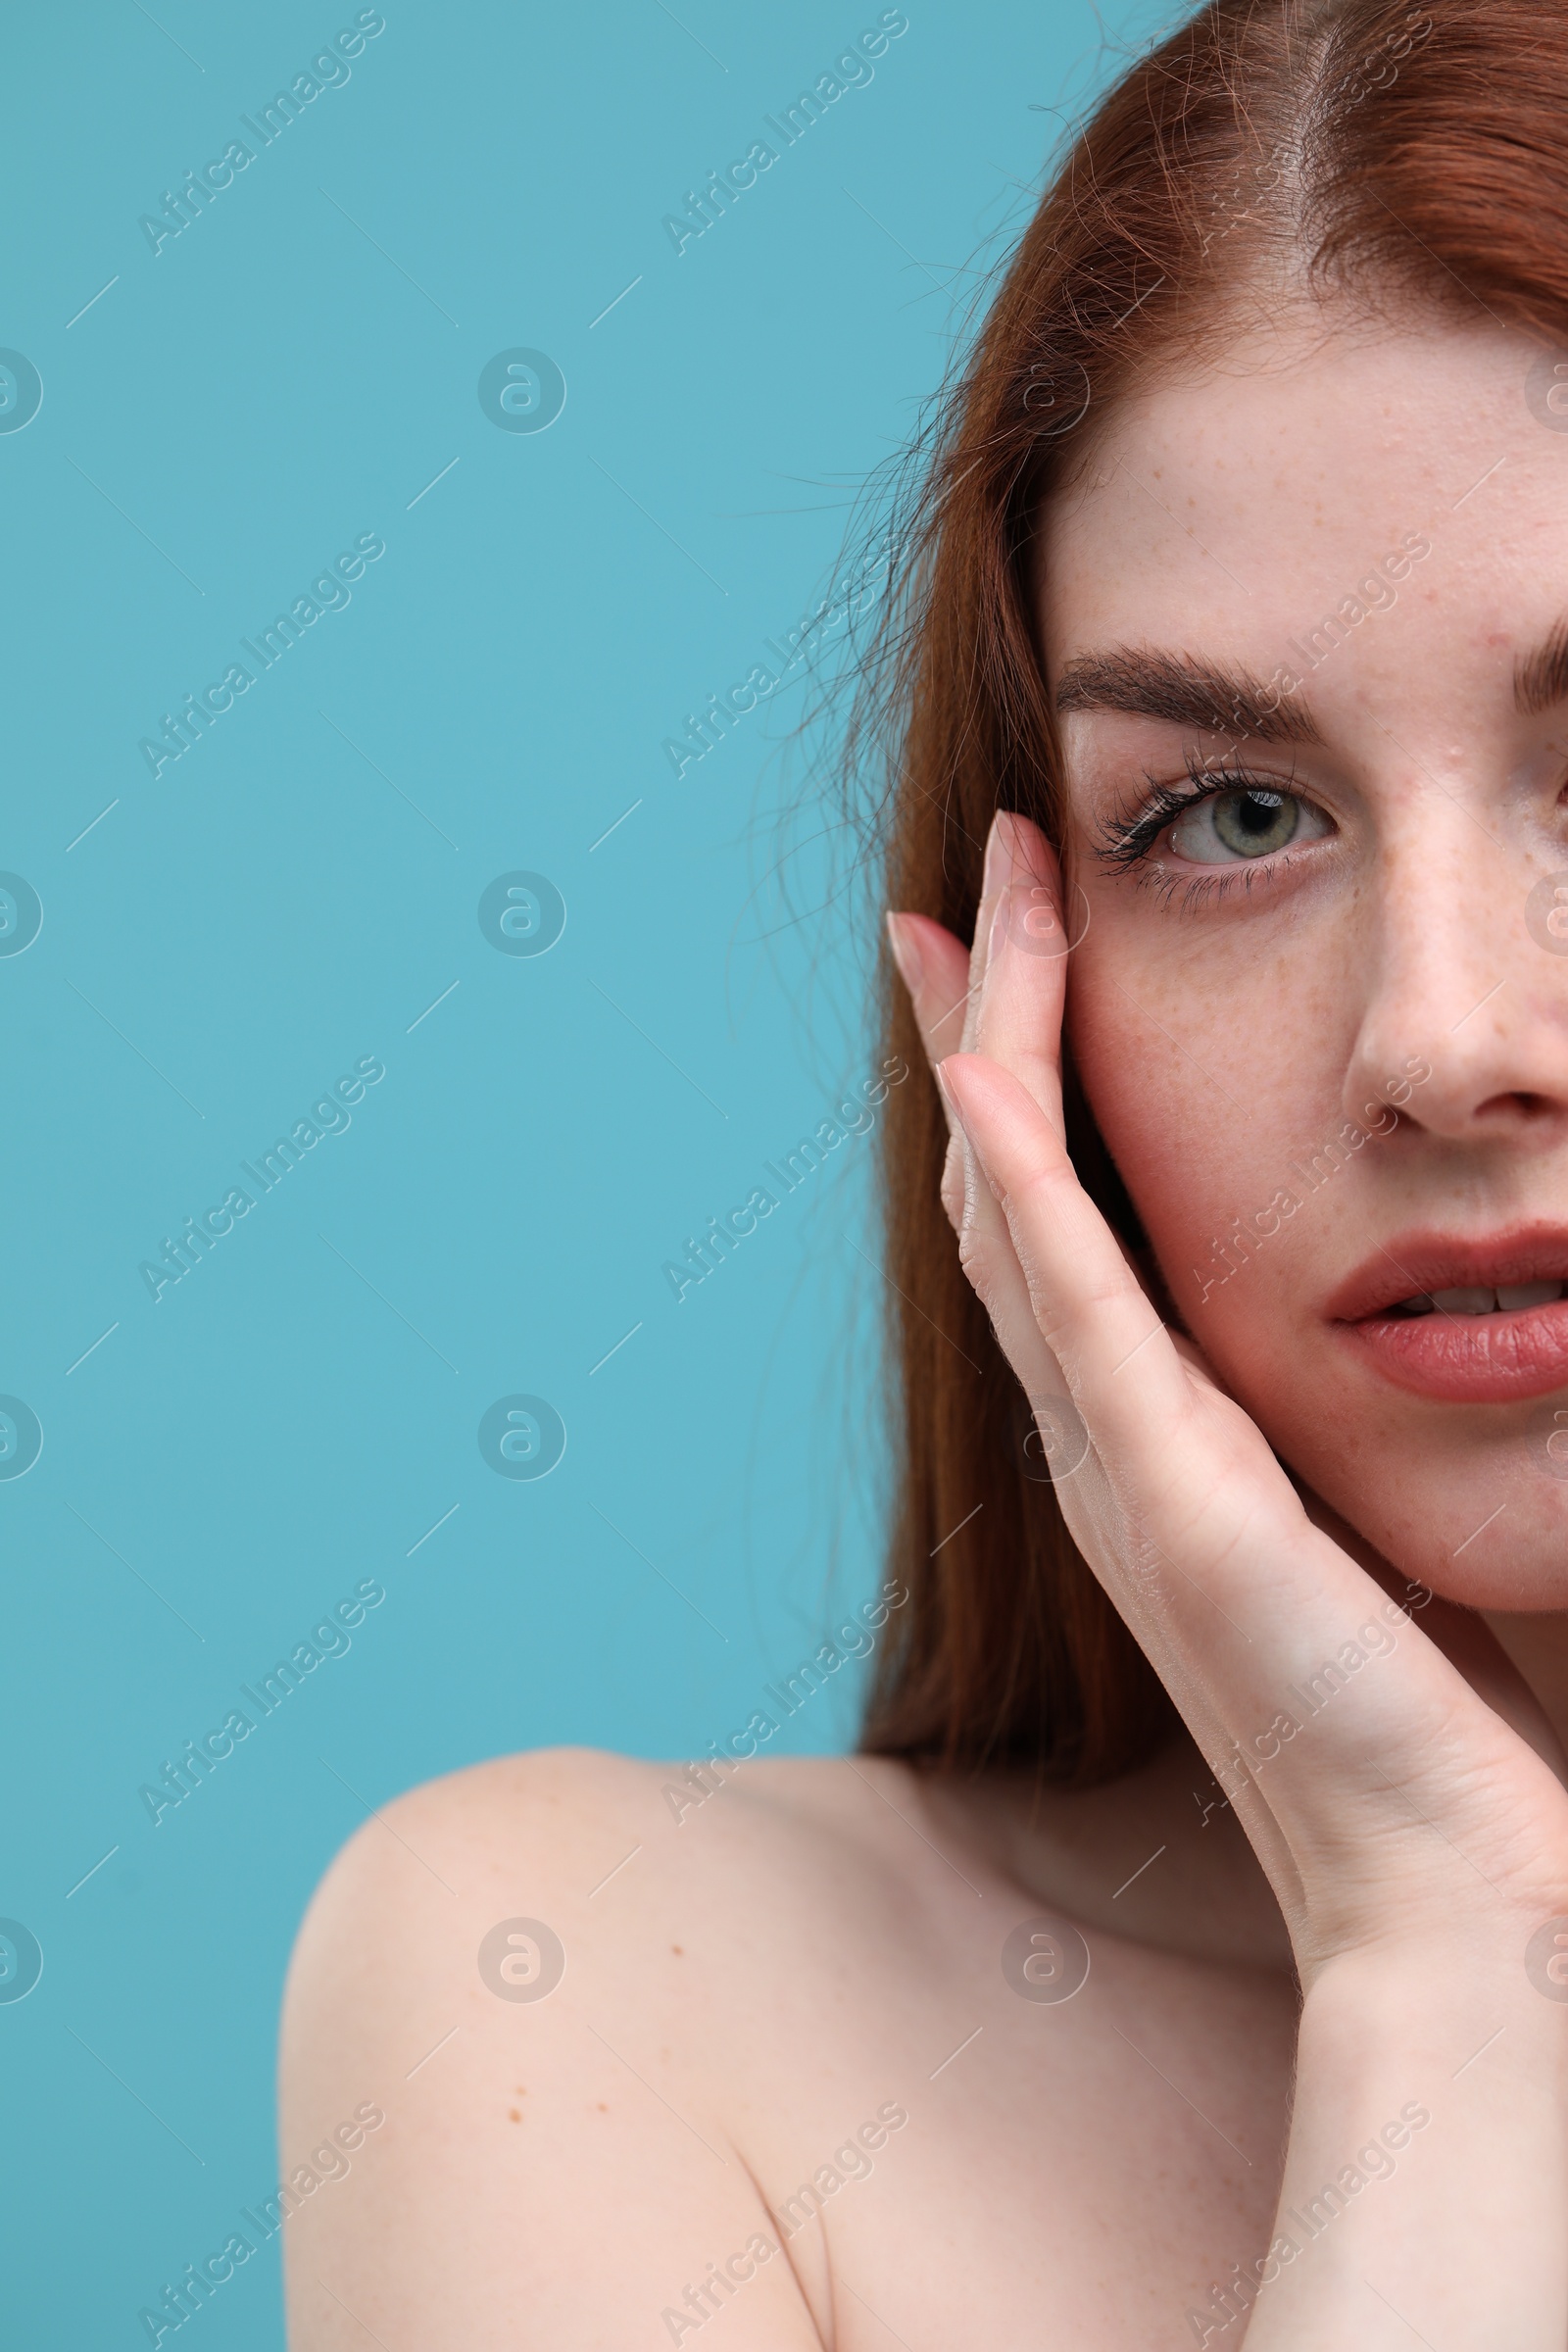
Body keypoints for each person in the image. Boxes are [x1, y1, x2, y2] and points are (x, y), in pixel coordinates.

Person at [279, 1, 1568, 2340]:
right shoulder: (598, 1995)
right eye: (1232, 818)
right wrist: (1452, 1973)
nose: (1446, 1039)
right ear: (1021, 997)